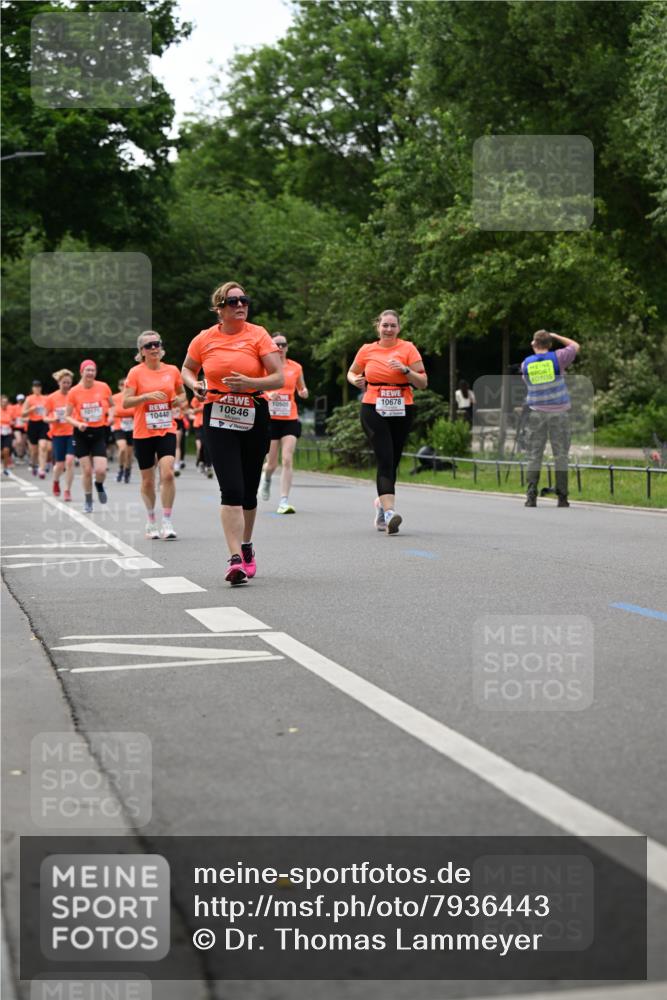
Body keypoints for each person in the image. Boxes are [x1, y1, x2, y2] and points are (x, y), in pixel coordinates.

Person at [180, 281, 283, 585]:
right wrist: (194, 384)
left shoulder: (259, 334)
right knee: (232, 490)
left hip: (253, 412)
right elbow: (186, 369)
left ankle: (247, 545)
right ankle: (235, 558)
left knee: (249, 491)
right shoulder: (204, 339)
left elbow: (278, 377)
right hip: (218, 414)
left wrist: (251, 382)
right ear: (219, 308)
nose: (240, 305)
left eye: (244, 300)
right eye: (232, 301)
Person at [347, 309, 427, 534]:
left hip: (402, 408)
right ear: (378, 327)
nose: (389, 329)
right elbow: (351, 373)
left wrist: (406, 370)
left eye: (393, 325)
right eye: (385, 325)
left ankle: (381, 504)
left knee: (393, 461)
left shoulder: (408, 348)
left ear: (399, 328)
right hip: (373, 408)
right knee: (385, 458)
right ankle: (391, 512)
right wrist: (356, 380)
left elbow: (422, 382)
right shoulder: (367, 350)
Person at [123, 331, 185, 540]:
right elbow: (126, 402)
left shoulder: (172, 370)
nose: (154, 348)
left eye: (156, 344)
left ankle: (167, 520)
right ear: (141, 351)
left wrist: (177, 400)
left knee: (167, 473)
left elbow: (183, 394)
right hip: (143, 431)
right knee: (148, 481)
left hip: (166, 427)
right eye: (148, 346)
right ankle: (151, 520)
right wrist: (146, 397)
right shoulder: (135, 373)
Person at [521, 329, 581, 508]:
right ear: (549, 344)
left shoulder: (526, 364)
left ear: (533, 344)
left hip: (537, 413)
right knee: (561, 455)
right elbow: (575, 346)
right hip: (559, 413)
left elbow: (528, 383)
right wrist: (555, 336)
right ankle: (562, 497)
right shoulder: (559, 357)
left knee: (534, 454)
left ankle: (531, 496)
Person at [259, 334, 309, 513]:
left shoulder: (296, 367)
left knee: (287, 459)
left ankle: (283, 501)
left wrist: (303, 392)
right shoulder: (266, 367)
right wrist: (267, 394)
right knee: (271, 463)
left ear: (287, 347)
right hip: (271, 420)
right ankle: (266, 478)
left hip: (290, 418)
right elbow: (257, 387)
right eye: (276, 344)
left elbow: (301, 388)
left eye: (283, 344)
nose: (280, 347)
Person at [66, 360, 114, 513]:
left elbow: (112, 405)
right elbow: (67, 416)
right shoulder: (74, 391)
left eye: (93, 370)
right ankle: (88, 500)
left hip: (99, 432)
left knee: (101, 470)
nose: (90, 373)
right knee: (86, 470)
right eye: (87, 370)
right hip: (81, 434)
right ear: (81, 372)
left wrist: (111, 416)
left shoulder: (103, 387)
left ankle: (99, 485)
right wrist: (77, 424)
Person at [45, 369, 76, 500]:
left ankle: (67, 490)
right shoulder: (51, 398)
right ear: (59, 382)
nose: (66, 385)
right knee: (60, 465)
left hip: (72, 433)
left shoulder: (74, 395)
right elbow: (44, 417)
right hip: (58, 434)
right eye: (64, 382)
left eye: (69, 383)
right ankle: (56, 481)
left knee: (70, 461)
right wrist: (53, 419)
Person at [22, 379, 49, 478]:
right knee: (34, 450)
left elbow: (49, 410)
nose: (37, 388)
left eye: (38, 387)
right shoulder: (29, 399)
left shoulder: (45, 398)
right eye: (35, 387)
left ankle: (42, 469)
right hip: (33, 424)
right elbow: (23, 413)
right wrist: (31, 409)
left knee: (43, 445)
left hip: (43, 423)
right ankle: (33, 464)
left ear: (40, 388)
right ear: (32, 388)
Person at [111, 377, 134, 484]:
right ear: (119, 387)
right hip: (119, 427)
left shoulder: (133, 398)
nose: (124, 388)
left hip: (132, 427)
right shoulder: (114, 398)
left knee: (129, 454)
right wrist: (125, 414)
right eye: (122, 385)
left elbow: (137, 412)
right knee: (122, 449)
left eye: (126, 385)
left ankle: (127, 471)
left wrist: (123, 413)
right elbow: (112, 411)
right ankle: (121, 468)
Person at [11, 395, 27, 463]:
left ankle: (22, 456)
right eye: (19, 400)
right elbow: (11, 416)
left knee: (23, 443)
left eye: (22, 400)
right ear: (17, 400)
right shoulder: (14, 407)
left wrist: (25, 419)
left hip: (24, 426)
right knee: (19, 441)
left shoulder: (26, 407)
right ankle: (18, 455)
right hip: (17, 427)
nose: (20, 401)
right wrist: (14, 419)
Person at [1, 394, 13, 475]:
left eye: (6, 402)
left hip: (8, 433)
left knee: (6, 451)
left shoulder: (11, 410)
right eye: (3, 402)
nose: (4, 403)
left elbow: (14, 419)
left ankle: (5, 468)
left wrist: (12, 422)